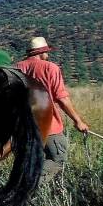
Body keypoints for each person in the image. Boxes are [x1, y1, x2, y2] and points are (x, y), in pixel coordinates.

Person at [16, 37, 89, 179]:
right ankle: (30, 188)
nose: (48, 55)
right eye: (47, 52)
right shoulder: (50, 68)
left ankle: (23, 187)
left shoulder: (16, 68)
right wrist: (78, 121)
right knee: (58, 159)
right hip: (48, 126)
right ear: (42, 52)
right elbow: (62, 99)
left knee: (29, 162)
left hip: (22, 127)